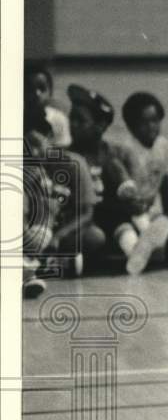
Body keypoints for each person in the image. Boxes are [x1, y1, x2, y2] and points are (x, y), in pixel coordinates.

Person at [67, 84, 146, 273]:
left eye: (80, 120)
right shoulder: (66, 157)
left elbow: (134, 192)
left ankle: (138, 248)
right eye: (71, 118)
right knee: (96, 236)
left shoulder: (118, 154)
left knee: (127, 222)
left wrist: (133, 201)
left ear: (100, 126)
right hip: (81, 221)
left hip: (114, 217)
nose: (72, 125)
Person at [22, 104, 99, 296]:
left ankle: (35, 265)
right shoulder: (22, 168)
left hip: (62, 234)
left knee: (95, 237)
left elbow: (87, 214)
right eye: (28, 146)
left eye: (37, 144)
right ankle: (38, 267)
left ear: (49, 138)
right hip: (30, 234)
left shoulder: (74, 164)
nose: (35, 152)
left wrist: (58, 236)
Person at [118, 91, 168, 275]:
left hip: (154, 211)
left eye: (155, 120)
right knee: (129, 227)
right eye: (144, 122)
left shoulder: (165, 146)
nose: (151, 127)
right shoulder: (125, 148)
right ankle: (141, 247)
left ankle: (146, 243)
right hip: (132, 210)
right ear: (131, 126)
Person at [25, 61, 71, 147]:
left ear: (50, 92)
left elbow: (64, 152)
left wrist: (45, 147)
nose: (36, 93)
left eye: (42, 88)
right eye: (29, 89)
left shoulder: (58, 119)